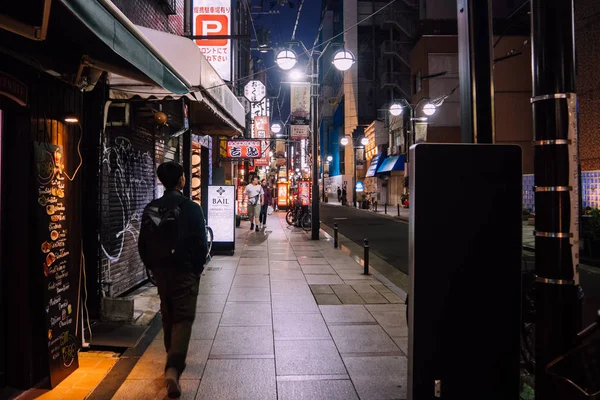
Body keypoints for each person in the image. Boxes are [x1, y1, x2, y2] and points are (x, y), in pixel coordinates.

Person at [138, 161, 207, 398]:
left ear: (160, 181)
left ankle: (170, 357)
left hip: (161, 271)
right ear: (181, 180)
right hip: (184, 271)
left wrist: (152, 267)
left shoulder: (151, 208)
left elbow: (142, 243)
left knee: (167, 313)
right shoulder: (191, 208)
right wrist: (197, 269)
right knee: (183, 318)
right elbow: (200, 243)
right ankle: (173, 367)